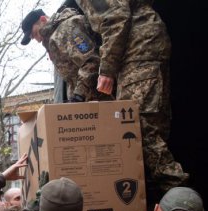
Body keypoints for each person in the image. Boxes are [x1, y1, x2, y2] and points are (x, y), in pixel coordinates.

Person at [74, 0, 188, 194]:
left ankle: (180, 198)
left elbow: (116, 17)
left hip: (138, 47)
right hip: (144, 43)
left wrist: (107, 69)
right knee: (151, 123)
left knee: (135, 125)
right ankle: (161, 199)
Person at [20, 4, 105, 102]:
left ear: (43, 19)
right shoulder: (53, 40)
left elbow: (91, 61)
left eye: (35, 34)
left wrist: (79, 95)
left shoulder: (68, 28)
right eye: (33, 37)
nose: (37, 40)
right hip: (87, 101)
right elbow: (72, 78)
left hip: (101, 96)